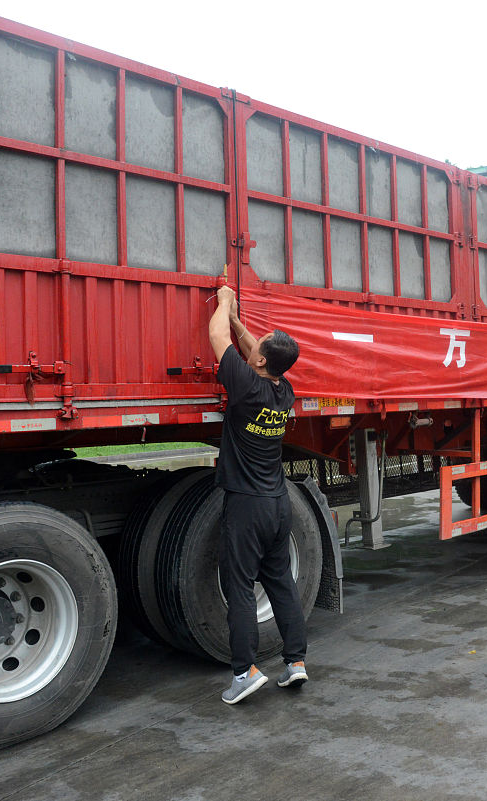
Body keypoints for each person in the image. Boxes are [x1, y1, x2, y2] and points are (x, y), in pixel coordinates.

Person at [208, 285, 308, 704]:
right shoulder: (284, 391)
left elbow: (217, 337)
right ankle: (296, 662)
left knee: (240, 587)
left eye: (258, 345)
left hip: (247, 505)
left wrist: (224, 303)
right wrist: (238, 321)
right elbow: (251, 348)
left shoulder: (246, 386)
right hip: (278, 504)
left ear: (262, 361)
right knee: (281, 583)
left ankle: (245, 672)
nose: (252, 345)